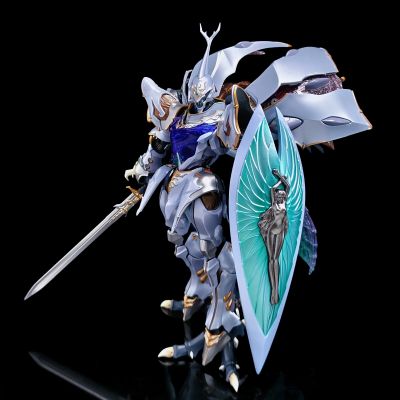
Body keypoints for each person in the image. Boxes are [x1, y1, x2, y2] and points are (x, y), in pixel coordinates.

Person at [258, 169, 290, 304]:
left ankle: (276, 290)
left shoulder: (284, 203)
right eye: (278, 195)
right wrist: (278, 178)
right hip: (271, 232)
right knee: (271, 259)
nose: (280, 197)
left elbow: (287, 186)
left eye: (281, 195)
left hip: (281, 232)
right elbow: (272, 189)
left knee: (276, 259)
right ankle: (273, 290)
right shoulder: (274, 204)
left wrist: (281, 177)